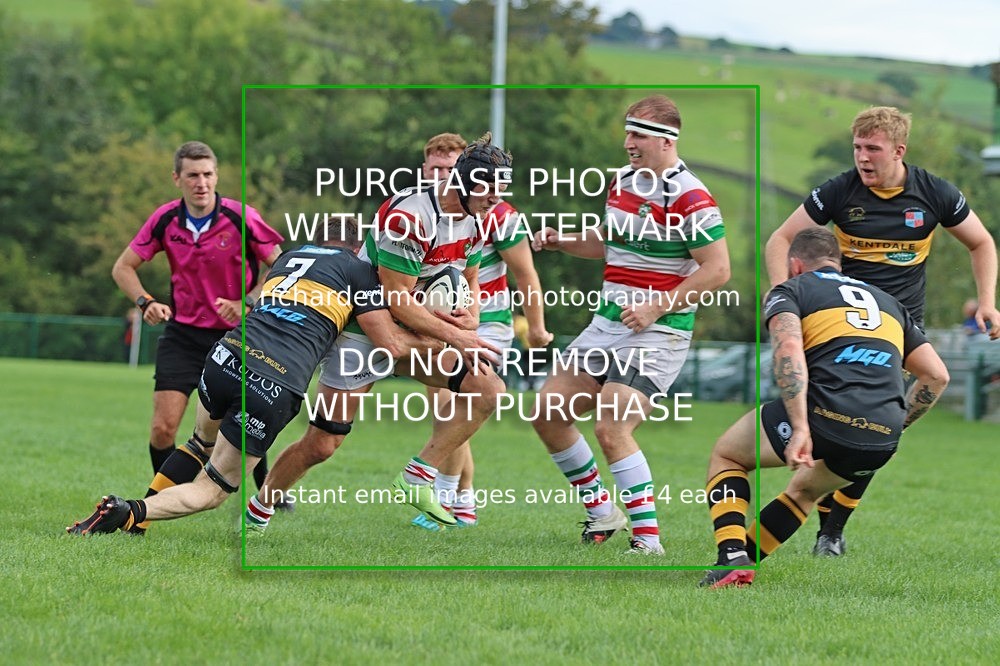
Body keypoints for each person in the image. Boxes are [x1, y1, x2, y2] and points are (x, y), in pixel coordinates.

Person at [67, 222, 437, 535]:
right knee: (213, 489)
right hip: (273, 383)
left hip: (225, 355)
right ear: (358, 248)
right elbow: (389, 343)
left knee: (199, 444)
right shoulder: (358, 271)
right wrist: (449, 336)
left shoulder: (290, 258)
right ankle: (128, 511)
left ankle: (136, 524)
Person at [241, 133, 509, 534]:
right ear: (464, 184)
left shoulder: (476, 220)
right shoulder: (411, 217)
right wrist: (457, 338)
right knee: (321, 445)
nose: (496, 200)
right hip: (366, 333)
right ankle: (260, 508)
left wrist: (470, 316)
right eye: (489, 190)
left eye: (501, 190)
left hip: (418, 334)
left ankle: (418, 475)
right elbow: (396, 300)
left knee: (488, 389)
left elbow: (469, 276)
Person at [764, 106, 999, 556]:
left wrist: (986, 301)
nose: (862, 158)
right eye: (857, 148)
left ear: (898, 150)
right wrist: (784, 295)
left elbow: (982, 241)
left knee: (877, 426)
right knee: (833, 419)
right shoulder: (839, 190)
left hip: (899, 328)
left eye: (872, 148)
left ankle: (831, 531)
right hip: (836, 323)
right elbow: (781, 238)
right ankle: (809, 496)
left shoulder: (934, 193)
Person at [531, 95, 731, 555]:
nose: (628, 143)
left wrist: (657, 307)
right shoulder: (622, 181)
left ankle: (648, 542)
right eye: (627, 133)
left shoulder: (691, 196)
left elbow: (718, 269)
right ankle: (603, 512)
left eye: (638, 135)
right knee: (548, 414)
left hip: (659, 331)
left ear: (666, 141)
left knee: (611, 427)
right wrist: (563, 243)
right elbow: (609, 242)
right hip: (608, 323)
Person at [700, 228, 949, 587]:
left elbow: (788, 352)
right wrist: (897, 424)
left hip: (824, 414)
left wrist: (800, 427)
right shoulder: (890, 303)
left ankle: (730, 555)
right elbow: (937, 376)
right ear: (838, 262)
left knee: (728, 456)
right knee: (803, 493)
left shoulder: (792, 289)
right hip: (882, 436)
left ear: (796, 265)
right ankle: (742, 566)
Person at [110, 141, 285, 533]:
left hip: (238, 336)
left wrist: (248, 300)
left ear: (217, 176)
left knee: (249, 421)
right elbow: (123, 268)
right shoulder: (164, 220)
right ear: (177, 179)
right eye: (192, 175)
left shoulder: (241, 217)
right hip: (183, 336)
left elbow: (282, 265)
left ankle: (269, 493)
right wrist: (145, 302)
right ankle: (155, 507)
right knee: (163, 429)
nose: (201, 182)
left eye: (208, 174)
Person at [411, 133, 553, 531]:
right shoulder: (422, 210)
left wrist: (537, 330)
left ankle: (439, 503)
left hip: (486, 323)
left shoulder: (500, 215)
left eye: (447, 167)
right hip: (439, 321)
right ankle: (463, 502)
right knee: (453, 414)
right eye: (434, 167)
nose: (440, 174)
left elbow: (526, 275)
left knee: (451, 408)